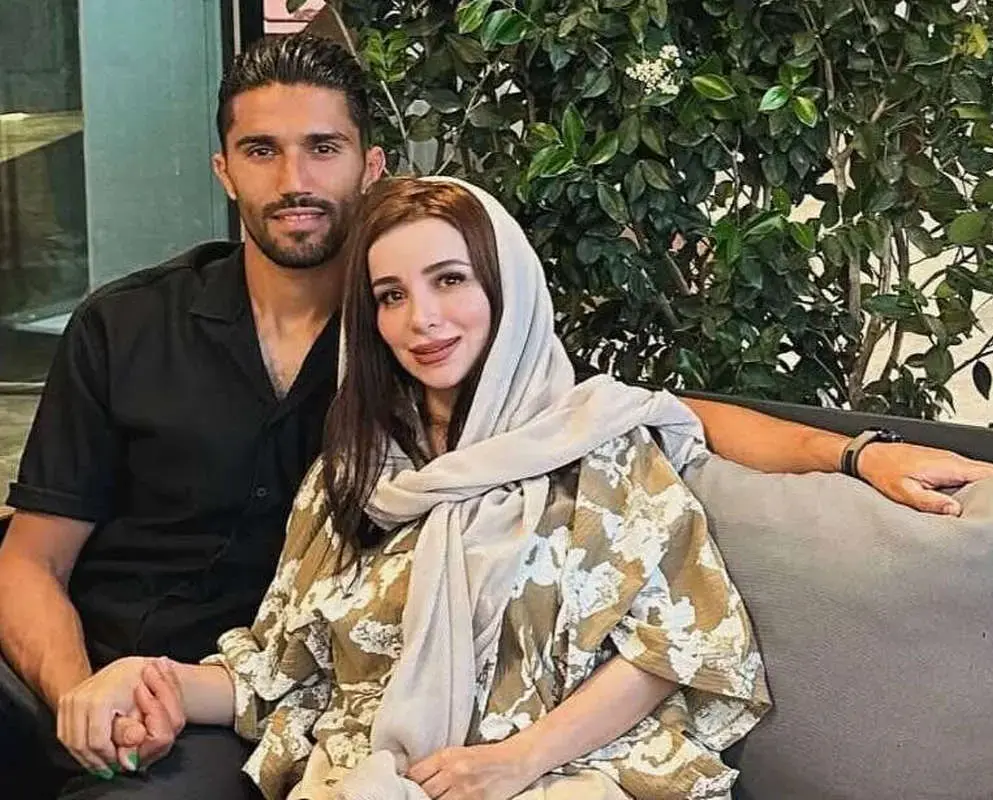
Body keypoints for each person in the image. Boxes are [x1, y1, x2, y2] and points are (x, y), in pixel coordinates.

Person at [0, 33, 993, 799]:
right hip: (152, 688)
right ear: (224, 169)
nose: (294, 179)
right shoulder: (321, 434)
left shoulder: (541, 416)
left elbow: (659, 444)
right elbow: (253, 645)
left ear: (370, 166)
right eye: (261, 150)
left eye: (322, 148)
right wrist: (104, 686)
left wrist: (857, 452)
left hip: (408, 752)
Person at [77, 175, 774, 800]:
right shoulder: (351, 476)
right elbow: (279, 673)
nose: (422, 319)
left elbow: (674, 645)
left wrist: (517, 761)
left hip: (565, 773)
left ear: (505, 286)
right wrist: (147, 679)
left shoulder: (600, 447)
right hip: (373, 778)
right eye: (392, 296)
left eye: (450, 280)